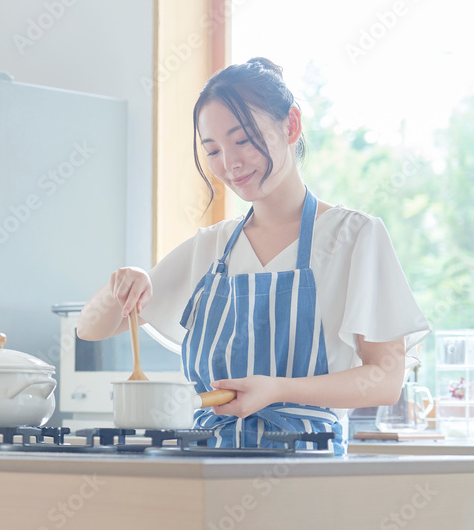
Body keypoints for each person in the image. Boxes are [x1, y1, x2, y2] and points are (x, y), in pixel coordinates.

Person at [77, 57, 430, 455]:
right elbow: (92, 329)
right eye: (213, 150)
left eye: (243, 140)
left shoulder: (354, 236)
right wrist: (122, 285)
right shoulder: (212, 246)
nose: (230, 164)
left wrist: (278, 390)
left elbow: (385, 379)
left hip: (307, 472)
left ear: (291, 125)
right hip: (205, 465)